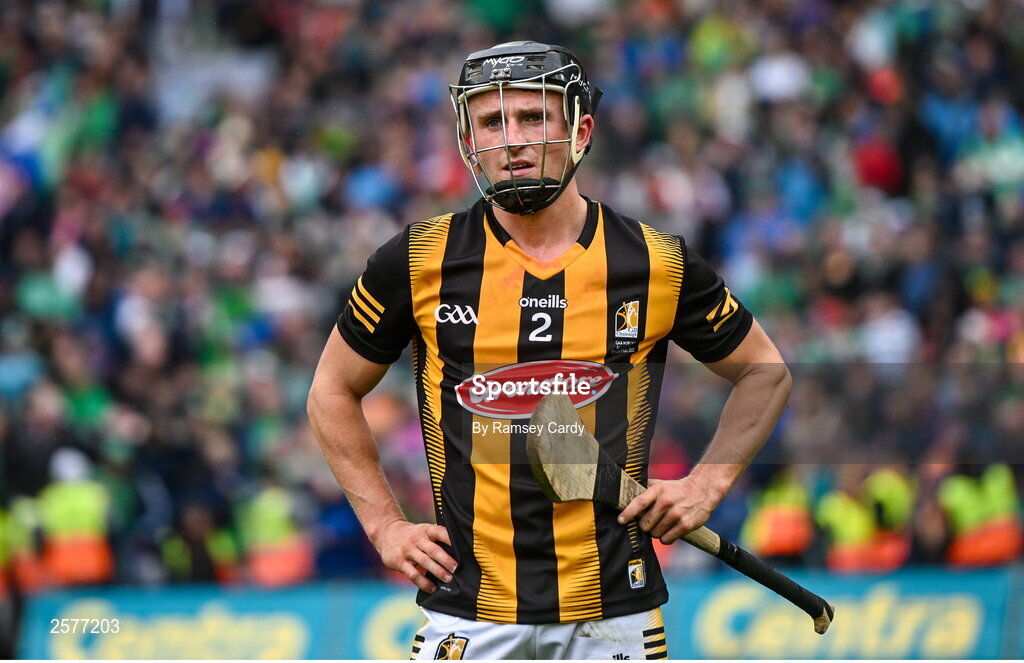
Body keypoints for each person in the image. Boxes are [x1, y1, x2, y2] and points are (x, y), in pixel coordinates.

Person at [307, 40, 791, 660]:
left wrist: (706, 484)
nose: (510, 139)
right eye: (490, 121)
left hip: (613, 611)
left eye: (532, 117)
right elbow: (330, 390)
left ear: (580, 130)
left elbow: (766, 373)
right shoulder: (417, 259)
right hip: (469, 612)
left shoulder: (654, 262)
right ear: (466, 136)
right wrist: (384, 525)